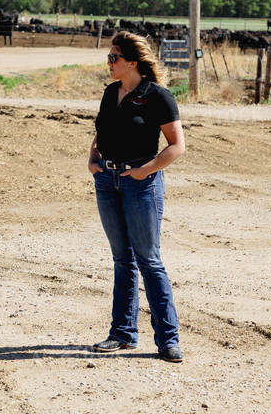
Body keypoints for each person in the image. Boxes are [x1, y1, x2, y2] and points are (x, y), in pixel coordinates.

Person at [87, 31, 186, 363]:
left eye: (114, 58)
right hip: (107, 181)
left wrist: (147, 170)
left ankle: (168, 340)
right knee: (121, 260)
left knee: (148, 260)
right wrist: (93, 159)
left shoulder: (157, 96)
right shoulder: (110, 92)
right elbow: (101, 131)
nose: (109, 63)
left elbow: (177, 145)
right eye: (109, 57)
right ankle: (122, 333)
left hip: (141, 184)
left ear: (132, 62)